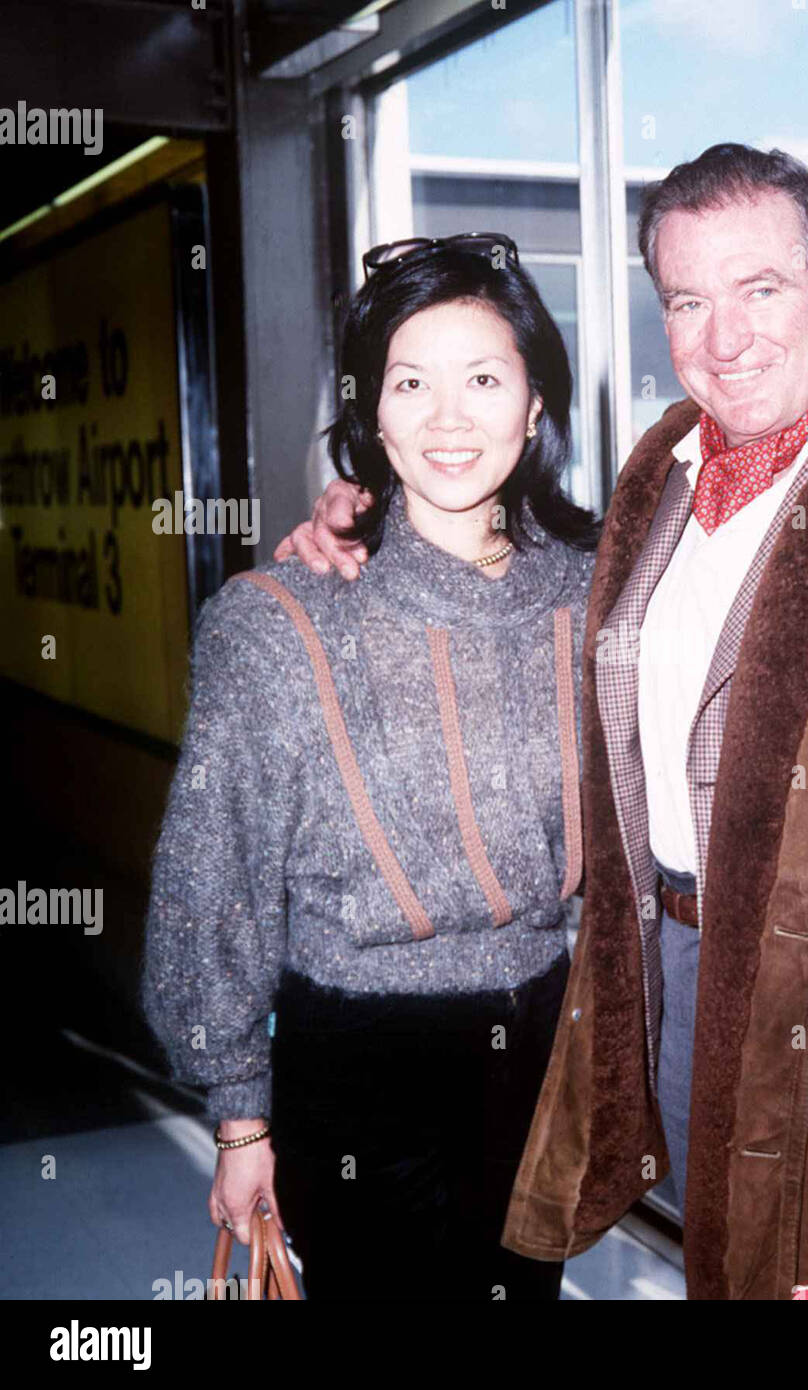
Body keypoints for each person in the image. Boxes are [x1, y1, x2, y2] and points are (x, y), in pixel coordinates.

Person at [286, 144, 808, 1300]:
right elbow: (503, 555)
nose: (726, 337)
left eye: (761, 289)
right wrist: (365, 510)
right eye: (688, 300)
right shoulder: (656, 481)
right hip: (669, 996)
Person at [141, 232, 599, 1300]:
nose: (449, 418)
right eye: (411, 382)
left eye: (484, 378)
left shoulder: (596, 597)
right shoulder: (283, 622)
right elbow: (215, 881)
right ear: (371, 412)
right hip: (357, 1070)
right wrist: (238, 1118)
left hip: (541, 1052)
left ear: (535, 404)